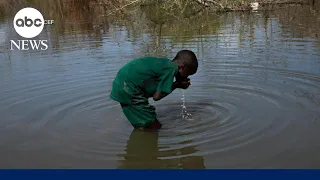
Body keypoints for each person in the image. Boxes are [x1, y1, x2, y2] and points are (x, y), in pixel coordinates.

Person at [109, 50, 198, 129]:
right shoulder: (171, 69)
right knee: (152, 125)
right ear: (182, 67)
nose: (186, 77)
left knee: (143, 123)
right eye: (188, 74)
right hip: (129, 89)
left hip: (122, 84)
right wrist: (175, 85)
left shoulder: (165, 63)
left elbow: (151, 87)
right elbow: (156, 97)